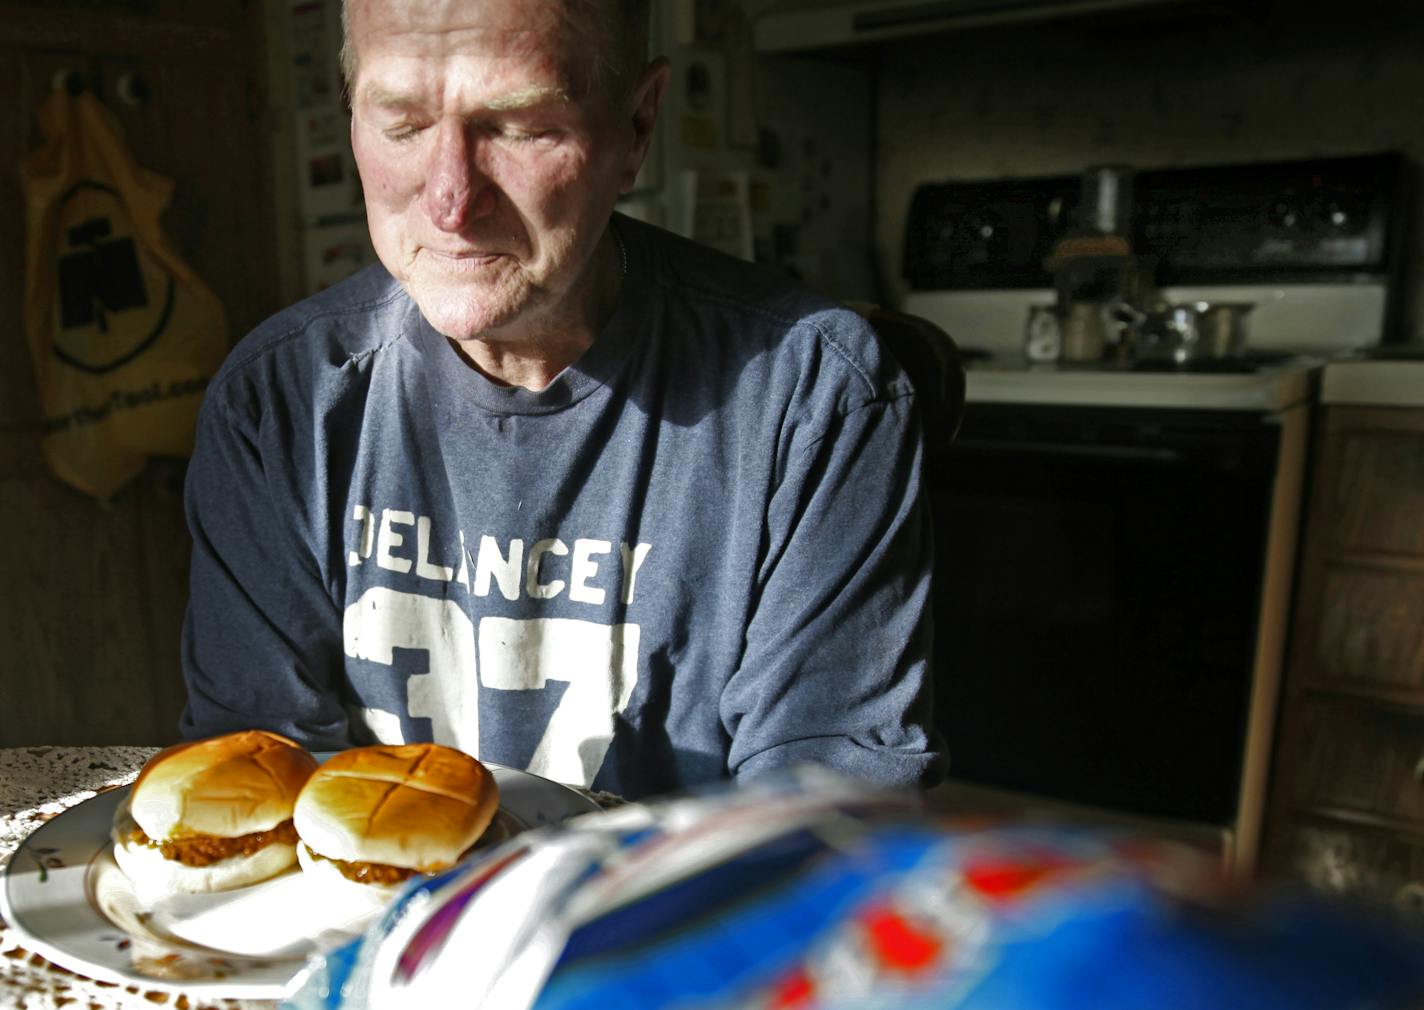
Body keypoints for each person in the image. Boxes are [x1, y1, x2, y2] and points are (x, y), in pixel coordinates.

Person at [179, 0, 945, 800]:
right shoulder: (280, 402)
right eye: (401, 123)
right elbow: (256, 787)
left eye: (518, 126)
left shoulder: (809, 394)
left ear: (637, 126)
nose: (450, 201)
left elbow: (830, 815)